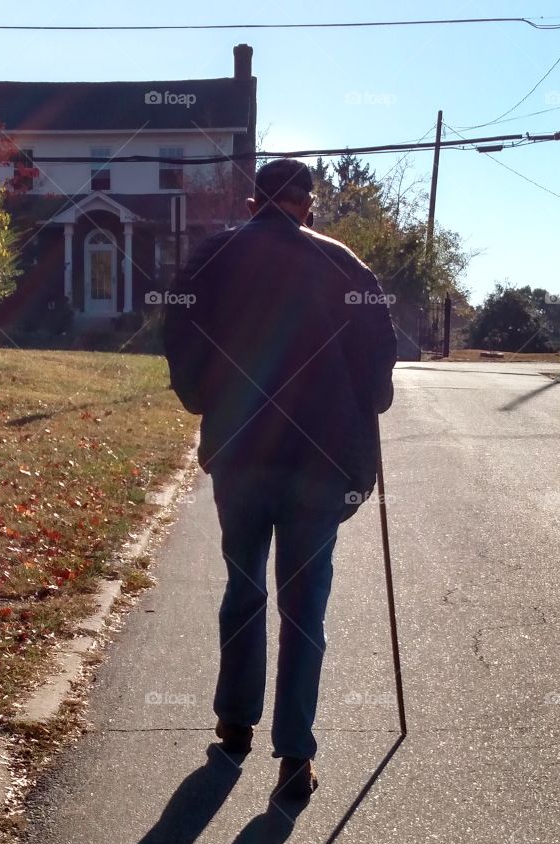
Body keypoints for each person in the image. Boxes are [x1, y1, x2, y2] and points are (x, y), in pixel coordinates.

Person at [163, 158, 397, 800]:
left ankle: (235, 725)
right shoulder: (345, 264)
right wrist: (368, 404)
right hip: (322, 463)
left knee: (243, 589)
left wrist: (203, 397)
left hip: (240, 453)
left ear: (253, 203)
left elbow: (178, 333)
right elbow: (380, 356)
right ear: (307, 205)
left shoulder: (212, 257)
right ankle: (295, 755)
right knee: (305, 607)